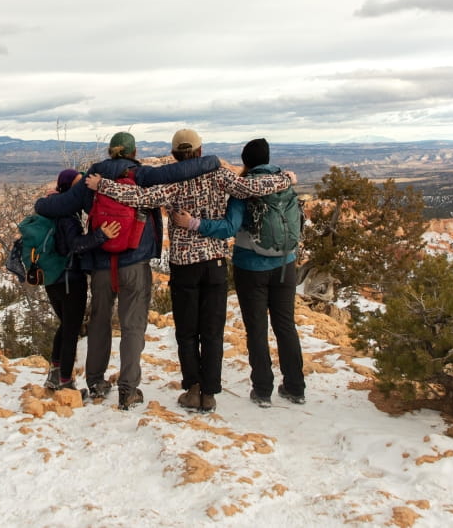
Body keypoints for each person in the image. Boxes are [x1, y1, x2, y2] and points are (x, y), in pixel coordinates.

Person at [85, 128, 296, 414]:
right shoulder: (219, 176)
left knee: (187, 332)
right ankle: (209, 394)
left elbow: (139, 197)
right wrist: (286, 179)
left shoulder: (174, 183)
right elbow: (251, 188)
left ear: (175, 154)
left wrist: (103, 186)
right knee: (212, 331)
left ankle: (193, 389)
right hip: (215, 263)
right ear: (199, 151)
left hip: (184, 265)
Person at [35, 132, 221, 410]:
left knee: (99, 322)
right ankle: (128, 389)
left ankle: (96, 382)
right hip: (134, 261)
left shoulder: (92, 179)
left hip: (100, 262)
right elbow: (182, 169)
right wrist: (213, 160)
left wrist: (43, 201)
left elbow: (51, 207)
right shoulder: (142, 175)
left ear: (111, 152)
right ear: (133, 152)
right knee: (132, 325)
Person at [173, 138, 306, 407]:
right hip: (285, 263)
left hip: (251, 268)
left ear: (246, 161)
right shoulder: (285, 183)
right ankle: (295, 387)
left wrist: (194, 223)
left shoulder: (243, 190)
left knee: (256, 329)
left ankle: (263, 390)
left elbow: (229, 228)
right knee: (285, 326)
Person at [42, 168, 121, 391]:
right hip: (69, 279)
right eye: (78, 185)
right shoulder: (67, 216)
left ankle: (54, 374)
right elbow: (75, 245)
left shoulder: (53, 209)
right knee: (71, 329)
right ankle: (66, 381)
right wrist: (100, 236)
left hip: (53, 279)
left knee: (65, 325)